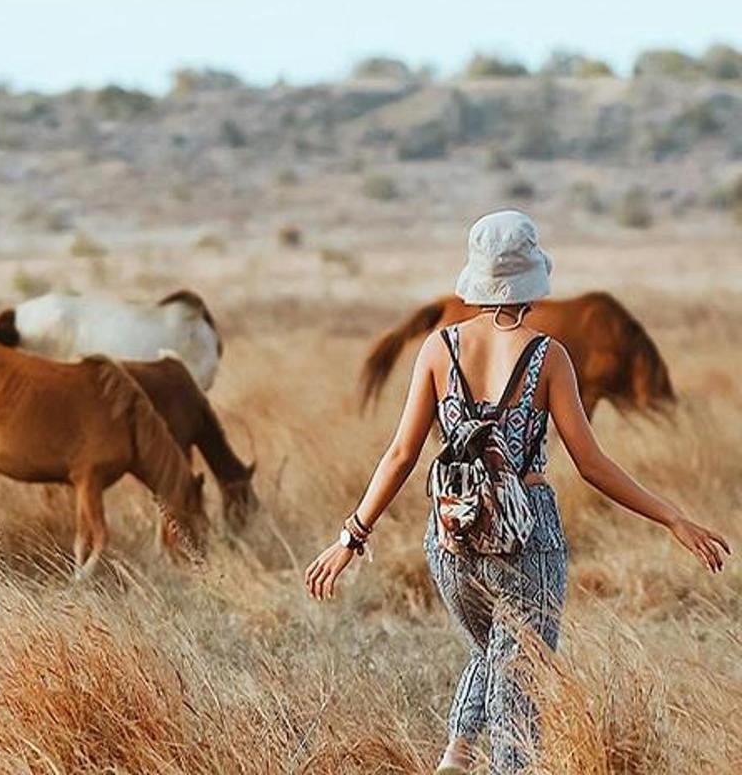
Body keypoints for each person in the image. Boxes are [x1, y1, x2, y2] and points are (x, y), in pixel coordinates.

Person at [303, 210, 730, 774]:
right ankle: (489, 761)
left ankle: (457, 752)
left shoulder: (438, 349)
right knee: (520, 676)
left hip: (451, 537)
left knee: (497, 655)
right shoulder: (549, 357)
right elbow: (592, 463)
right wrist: (673, 518)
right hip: (528, 536)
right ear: (532, 279)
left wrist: (349, 538)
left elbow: (401, 455)